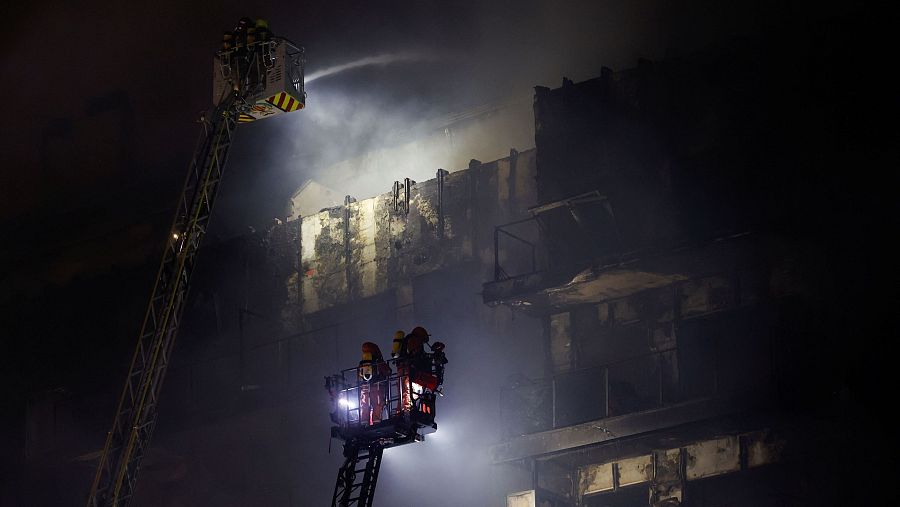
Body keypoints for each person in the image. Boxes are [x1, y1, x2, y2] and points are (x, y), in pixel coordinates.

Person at [358, 342, 390, 425]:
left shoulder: (362, 363)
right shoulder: (378, 361)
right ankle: (376, 423)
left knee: (364, 406)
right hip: (377, 387)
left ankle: (364, 422)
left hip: (364, 388)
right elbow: (387, 371)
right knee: (377, 406)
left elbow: (358, 376)